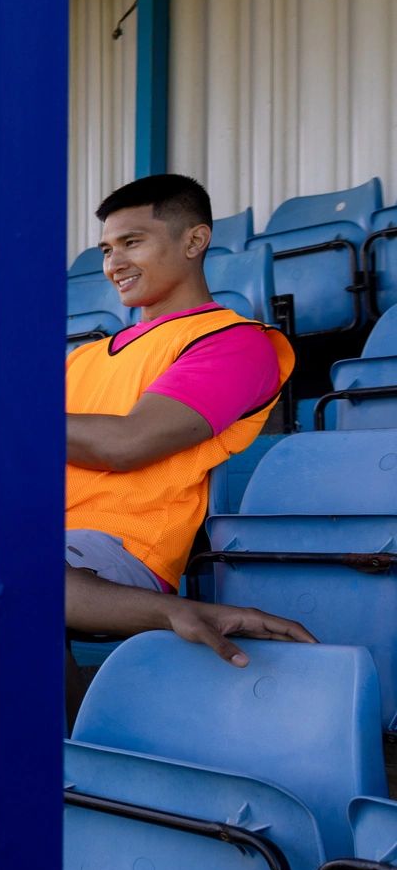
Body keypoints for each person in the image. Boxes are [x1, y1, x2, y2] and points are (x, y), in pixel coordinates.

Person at [64, 173, 294, 600]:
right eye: (107, 250)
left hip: (125, 547)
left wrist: (4, 422)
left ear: (194, 242)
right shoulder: (81, 358)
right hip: (39, 532)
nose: (114, 264)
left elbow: (126, 445)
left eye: (132, 243)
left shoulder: (234, 341)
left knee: (0, 576)